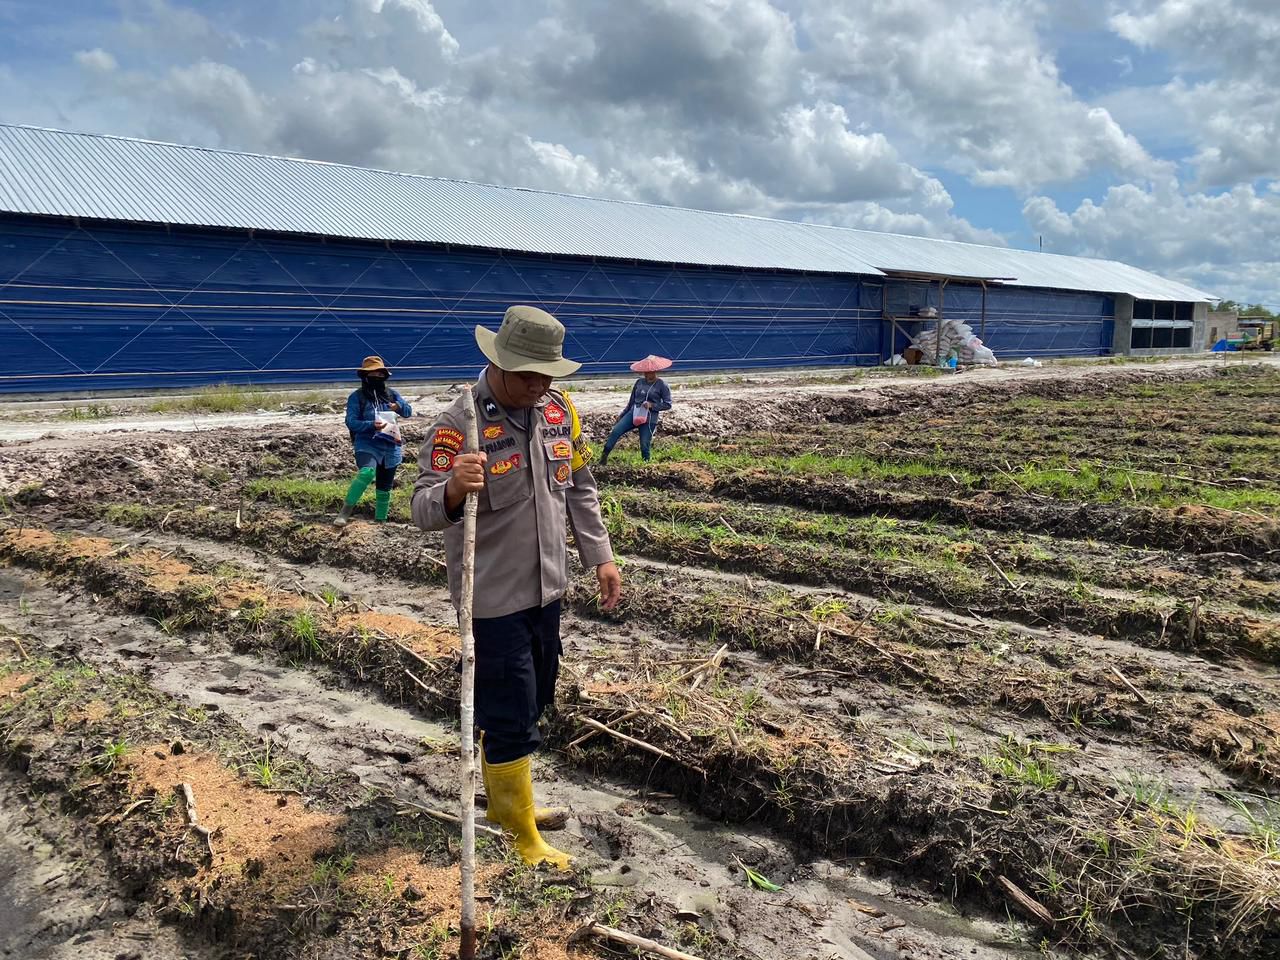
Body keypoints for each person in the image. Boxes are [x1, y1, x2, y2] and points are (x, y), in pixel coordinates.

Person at [412, 304, 622, 870]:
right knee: (510, 710)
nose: (539, 385)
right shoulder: (461, 423)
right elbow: (422, 509)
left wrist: (599, 555)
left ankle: (509, 803)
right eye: (528, 374)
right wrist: (454, 487)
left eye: (547, 375)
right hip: (493, 599)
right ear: (498, 363)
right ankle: (521, 833)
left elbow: (579, 486)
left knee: (536, 698)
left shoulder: (558, 412)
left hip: (548, 590)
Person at [335, 356, 413, 526]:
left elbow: (408, 411)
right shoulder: (357, 397)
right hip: (367, 443)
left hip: (390, 444)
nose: (377, 378)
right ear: (365, 377)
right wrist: (371, 425)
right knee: (367, 472)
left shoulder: (392, 394)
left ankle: (381, 521)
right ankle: (345, 512)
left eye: (380, 375)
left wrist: (398, 407)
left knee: (385, 486)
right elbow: (351, 421)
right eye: (373, 375)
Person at [599, 362, 673, 464]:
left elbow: (668, 404)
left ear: (655, 372)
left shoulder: (662, 385)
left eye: (649, 372)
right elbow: (631, 401)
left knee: (644, 444)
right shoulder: (639, 382)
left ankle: (645, 465)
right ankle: (603, 457)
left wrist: (653, 405)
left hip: (649, 418)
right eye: (645, 372)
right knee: (616, 431)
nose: (647, 375)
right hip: (634, 413)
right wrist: (622, 415)